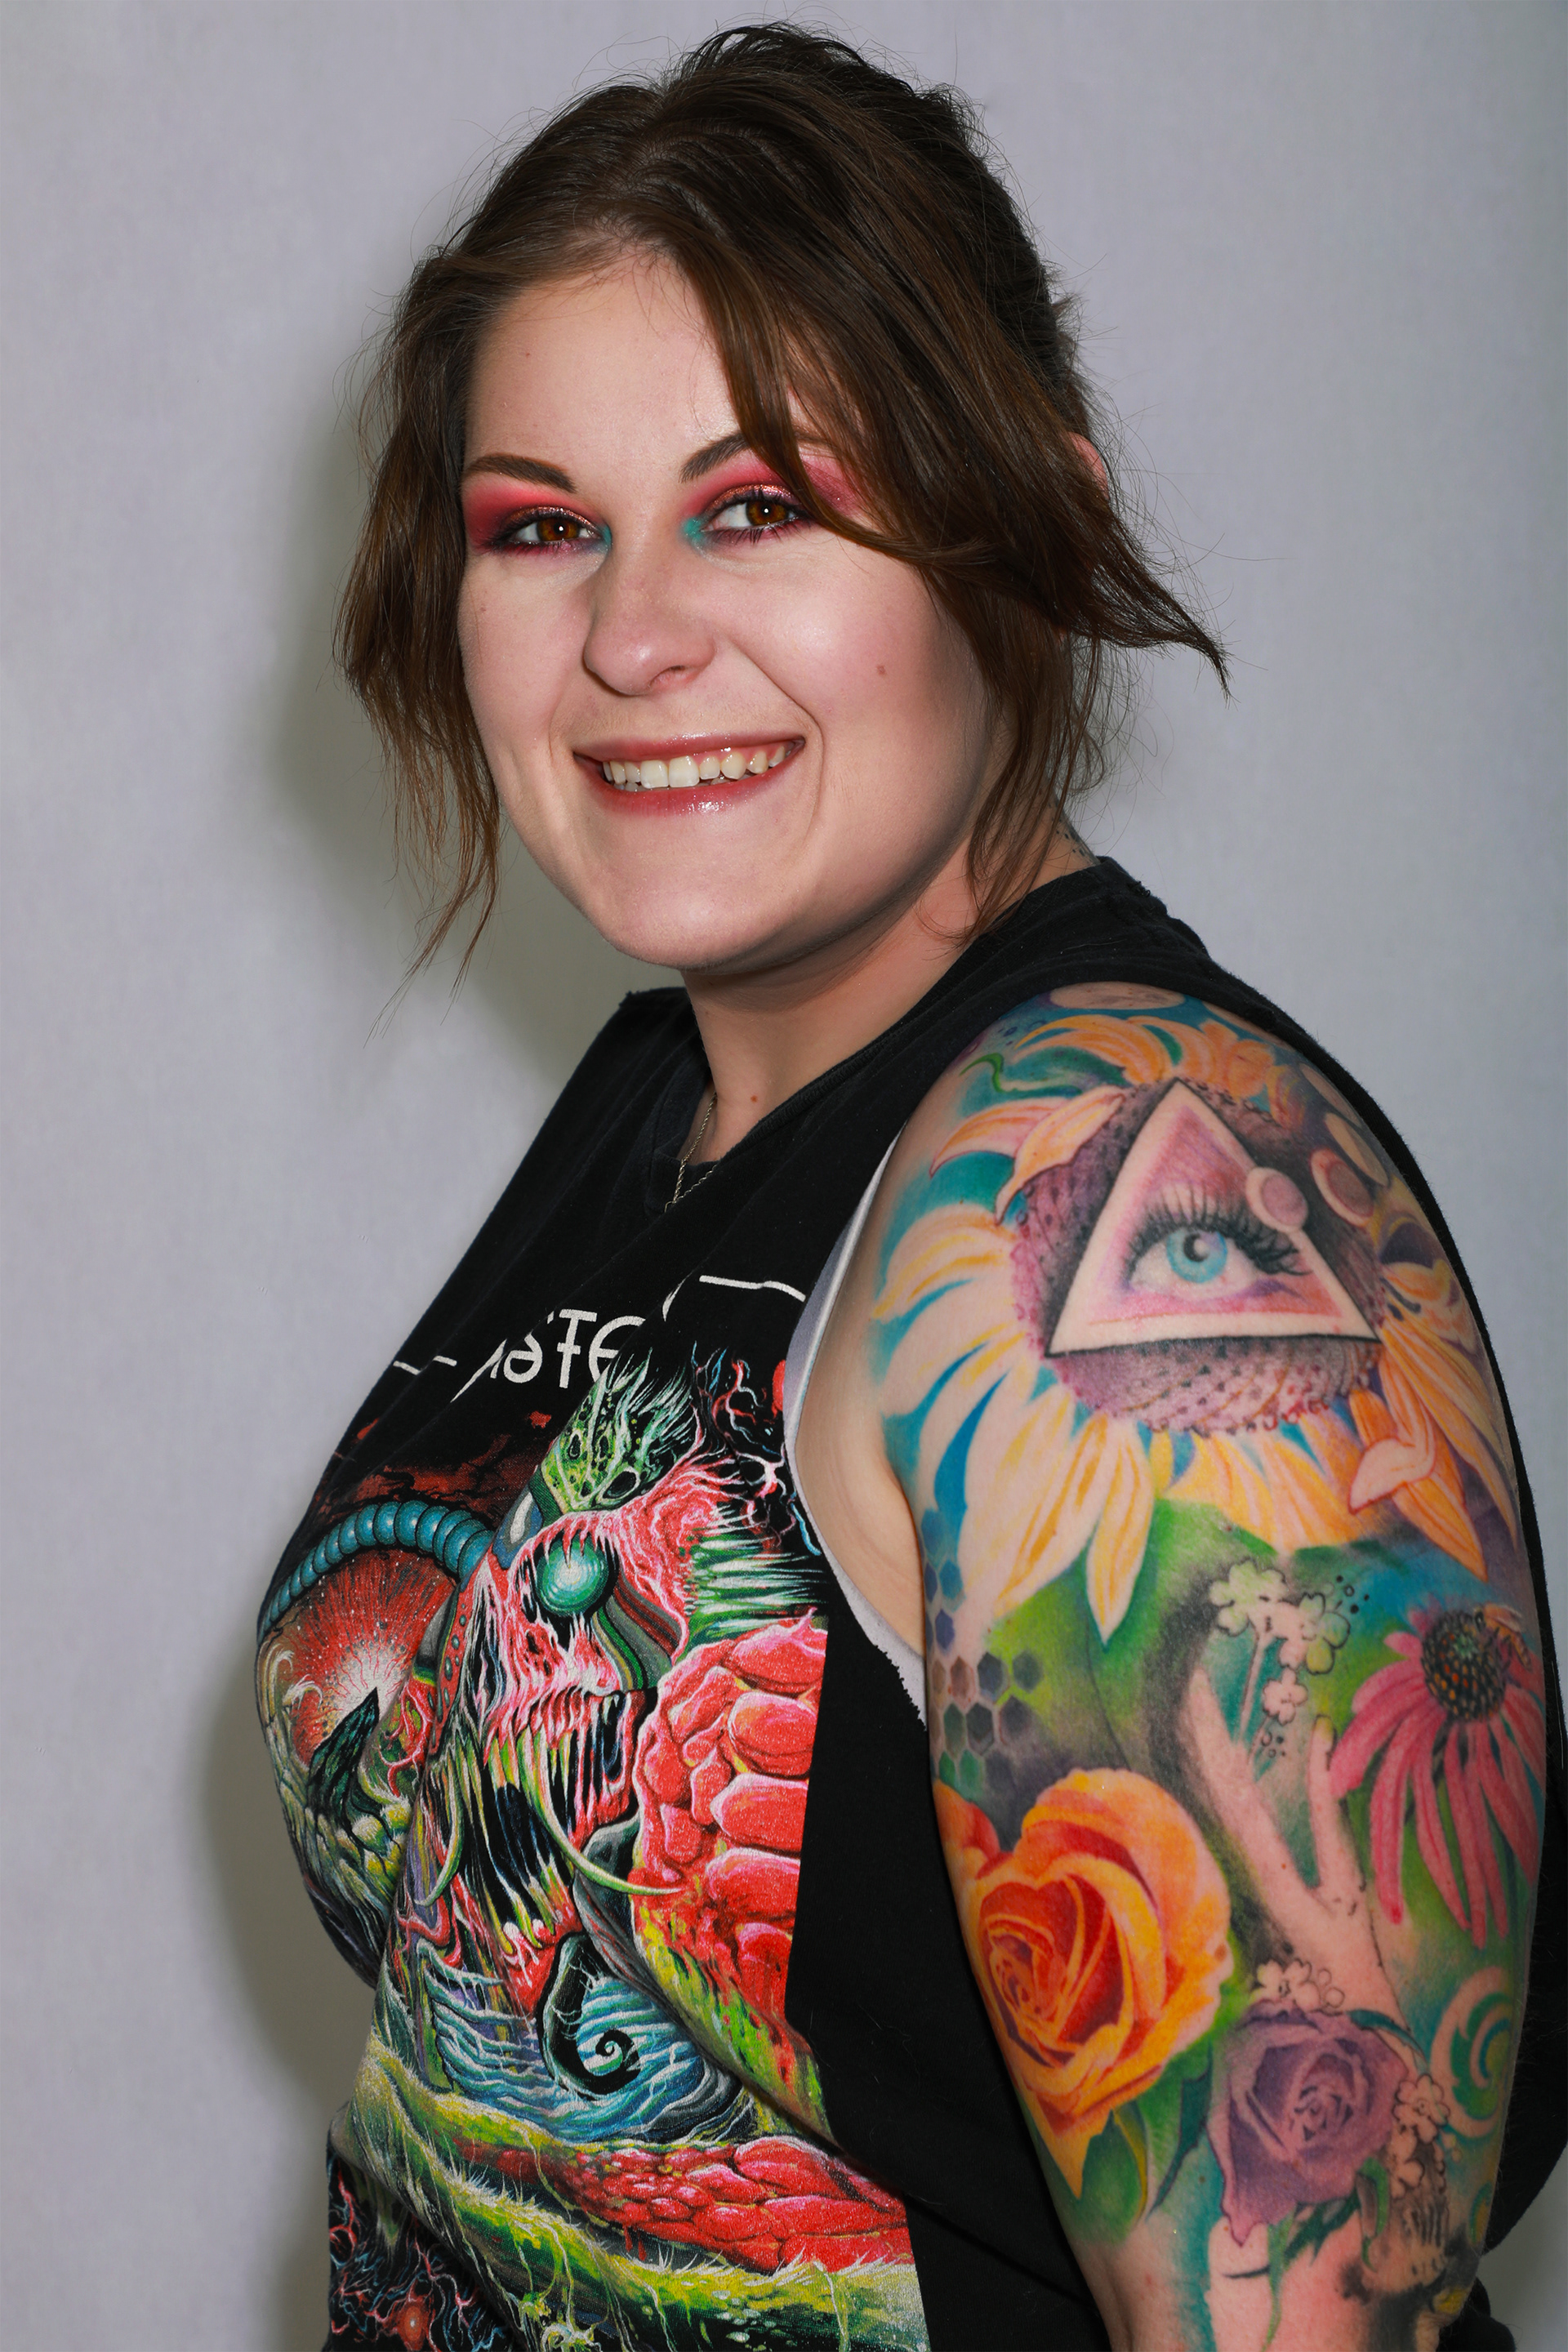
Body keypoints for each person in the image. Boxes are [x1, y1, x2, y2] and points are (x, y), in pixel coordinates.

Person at [256, 26, 1563, 2352]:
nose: (631, 637)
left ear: (1024, 526)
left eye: (761, 504)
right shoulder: (671, 1085)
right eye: (542, 526)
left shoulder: (1110, 1192)